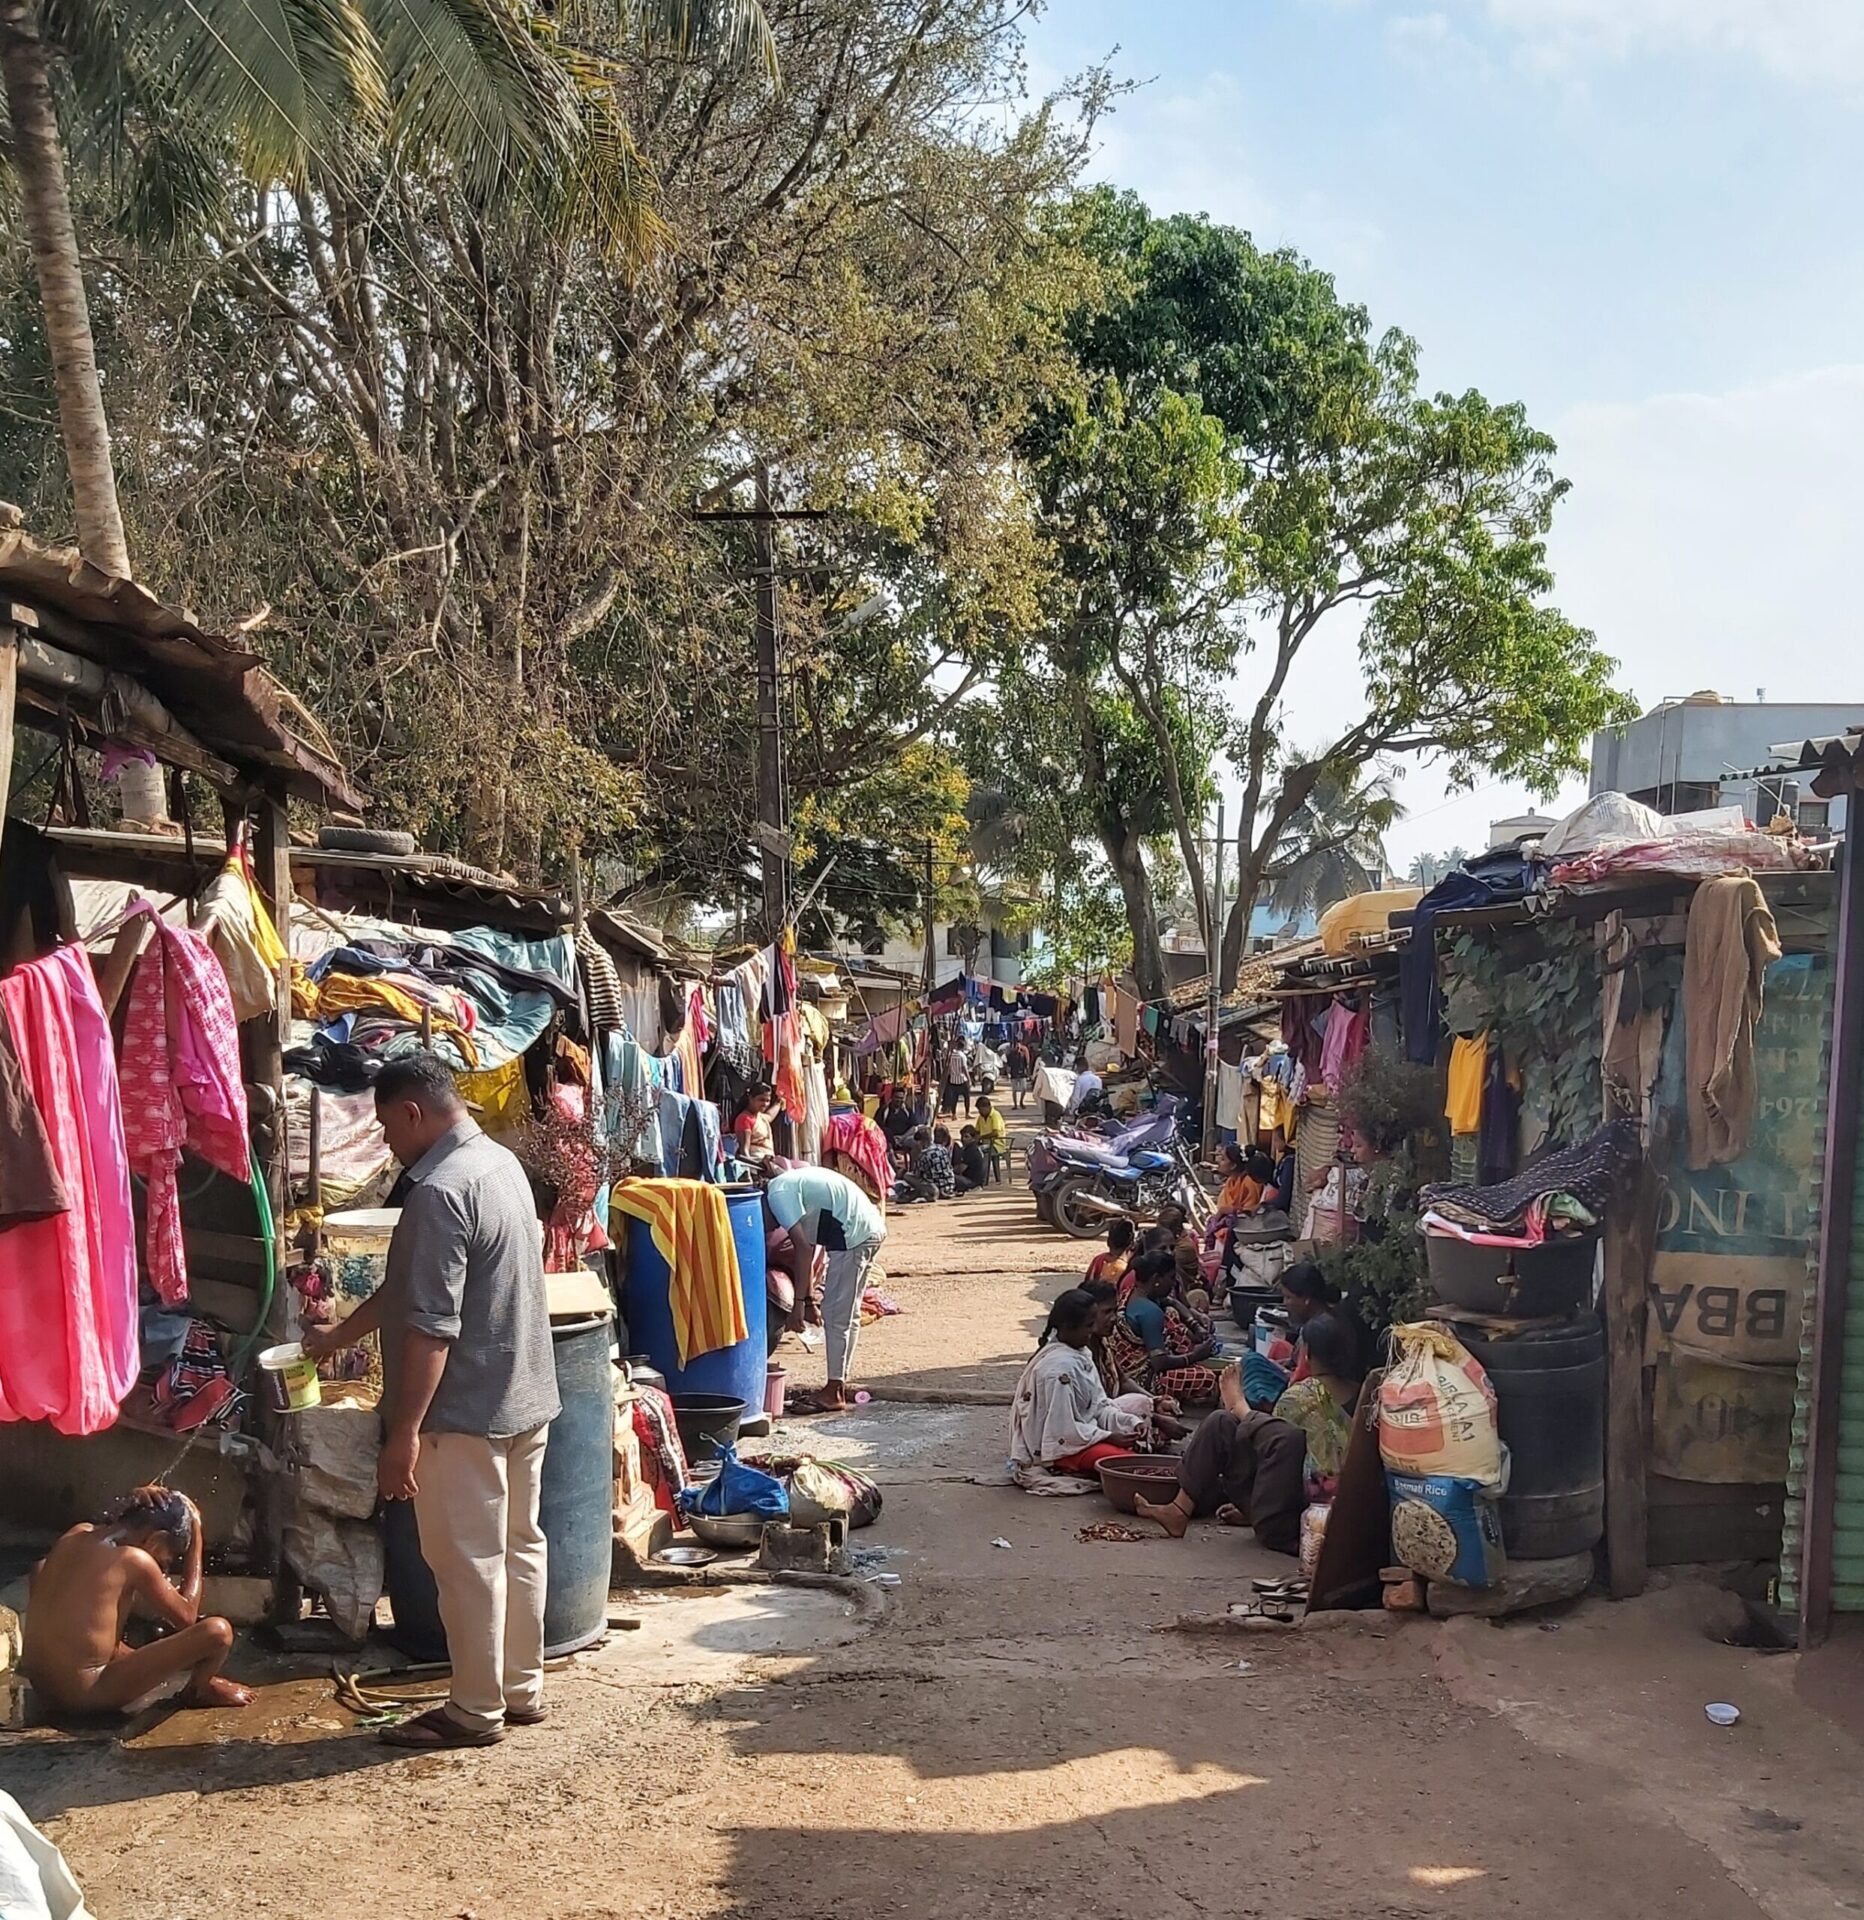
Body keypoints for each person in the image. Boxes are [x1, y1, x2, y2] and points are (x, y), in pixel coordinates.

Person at [303, 1053, 559, 1750]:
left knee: (468, 1562)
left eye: (388, 1127)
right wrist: (334, 1339)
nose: (388, 1142)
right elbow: (415, 1293)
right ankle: (519, 1690)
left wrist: (403, 1433)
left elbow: (431, 1328)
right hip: (528, 1395)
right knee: (519, 1549)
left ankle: (476, 1712)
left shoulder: (438, 1192)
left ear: (413, 1112)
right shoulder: (499, 1167)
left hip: (464, 1413)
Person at [20, 1487, 251, 1714]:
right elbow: (188, 1616)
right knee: (218, 1631)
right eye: (165, 1560)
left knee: (44, 1571)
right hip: (82, 1695)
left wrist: (133, 1498)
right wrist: (197, 1537)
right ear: (156, 1540)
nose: (163, 1569)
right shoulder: (134, 1559)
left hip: (43, 1688)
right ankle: (198, 1690)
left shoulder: (77, 1533)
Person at [1133, 1363, 1307, 1552]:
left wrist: (1243, 1411)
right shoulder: (1314, 1391)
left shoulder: (1317, 1401)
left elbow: (1289, 1450)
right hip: (1278, 1503)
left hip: (1298, 1526)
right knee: (1221, 1422)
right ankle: (1178, 1510)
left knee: (1285, 1438)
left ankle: (1241, 1409)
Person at [763, 1165, 887, 1415]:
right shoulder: (788, 1187)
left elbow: (803, 1249)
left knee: (836, 1316)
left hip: (852, 1235)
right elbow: (807, 1247)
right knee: (847, 1314)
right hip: (867, 1227)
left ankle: (833, 1391)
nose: (766, 1229)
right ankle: (838, 1381)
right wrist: (807, 1301)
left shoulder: (777, 1194)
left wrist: (797, 1306)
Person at [1008, 1288, 1157, 1480]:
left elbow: (1099, 1406)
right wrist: (1109, 1436)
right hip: (1063, 1450)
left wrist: (1130, 1423)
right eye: (1089, 1325)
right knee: (1132, 1467)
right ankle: (1070, 1467)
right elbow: (1061, 1431)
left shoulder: (1081, 1354)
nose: (1094, 1330)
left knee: (1137, 1453)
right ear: (1068, 1327)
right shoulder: (1059, 1370)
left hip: (1083, 1437)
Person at [1272, 1307, 1364, 1500]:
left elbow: (1272, 1458)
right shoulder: (1367, 1394)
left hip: (1304, 1501)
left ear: (1307, 1353)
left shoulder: (1295, 1399)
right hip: (1357, 1501)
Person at [1110, 1250, 1221, 1404]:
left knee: (1171, 1312)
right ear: (1156, 1279)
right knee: (1207, 1378)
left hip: (1126, 1371)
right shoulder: (1150, 1312)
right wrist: (1195, 1356)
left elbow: (1170, 1302)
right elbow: (1159, 1363)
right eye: (1170, 1278)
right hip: (1143, 1379)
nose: (1173, 1282)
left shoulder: (1133, 1294)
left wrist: (1195, 1324)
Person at [730, 1083, 778, 1167]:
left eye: (767, 1101)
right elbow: (744, 1151)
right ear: (751, 1098)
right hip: (757, 1164)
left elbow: (770, 1116)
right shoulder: (744, 1119)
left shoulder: (760, 1117)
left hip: (768, 1163)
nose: (765, 1104)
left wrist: (779, 1102)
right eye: (761, 1100)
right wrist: (752, 1168)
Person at [1084, 1216, 1136, 1288]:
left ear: (1108, 1242)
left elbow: (1086, 1284)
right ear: (1132, 1244)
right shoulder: (1127, 1268)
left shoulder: (1098, 1260)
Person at [973, 1095, 1009, 1181]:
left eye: (981, 1109)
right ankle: (977, 1177)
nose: (980, 1112)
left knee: (983, 1153)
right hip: (986, 1144)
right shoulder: (980, 1117)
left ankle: (984, 1179)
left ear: (987, 1107)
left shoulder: (995, 1115)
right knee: (973, 1151)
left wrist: (981, 1137)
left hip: (997, 1145)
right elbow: (977, 1131)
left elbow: (995, 1133)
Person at [942, 1037, 972, 1116]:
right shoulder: (962, 1056)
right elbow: (964, 1068)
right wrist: (969, 1079)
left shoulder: (951, 1055)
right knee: (967, 1096)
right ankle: (967, 1113)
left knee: (954, 1098)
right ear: (963, 1047)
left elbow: (948, 1067)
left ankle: (954, 1114)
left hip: (953, 1080)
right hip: (962, 1079)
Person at [953, 1125, 987, 1194]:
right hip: (973, 1180)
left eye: (966, 1137)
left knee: (949, 1177)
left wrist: (950, 1170)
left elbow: (960, 1169)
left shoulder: (971, 1150)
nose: (963, 1139)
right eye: (962, 1136)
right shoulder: (970, 1148)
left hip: (972, 1182)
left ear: (973, 1138)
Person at [1005, 1037, 1034, 1109]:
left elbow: (1026, 1064)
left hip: (1022, 1073)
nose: (1018, 1049)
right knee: (1014, 1090)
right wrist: (1008, 1074)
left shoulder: (1023, 1054)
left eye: (1019, 1047)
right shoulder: (1010, 1055)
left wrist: (1028, 1073)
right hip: (1014, 1074)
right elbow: (1008, 1065)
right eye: (1016, 1047)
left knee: (1024, 1088)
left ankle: (1021, 1102)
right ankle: (1015, 1105)